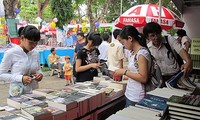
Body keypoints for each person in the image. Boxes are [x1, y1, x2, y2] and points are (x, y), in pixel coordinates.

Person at [0, 25, 43, 96]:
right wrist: (20, 78)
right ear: (22, 38)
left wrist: (40, 75)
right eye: (31, 42)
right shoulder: (11, 53)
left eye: (36, 43)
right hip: (17, 93)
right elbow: (1, 74)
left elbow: (38, 69)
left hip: (34, 92)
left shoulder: (36, 53)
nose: (33, 46)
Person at [114, 25, 152, 107]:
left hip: (137, 95)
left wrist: (124, 72)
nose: (124, 45)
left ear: (130, 38)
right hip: (130, 93)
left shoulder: (142, 54)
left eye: (124, 42)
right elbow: (135, 73)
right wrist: (123, 75)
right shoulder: (132, 53)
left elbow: (143, 78)